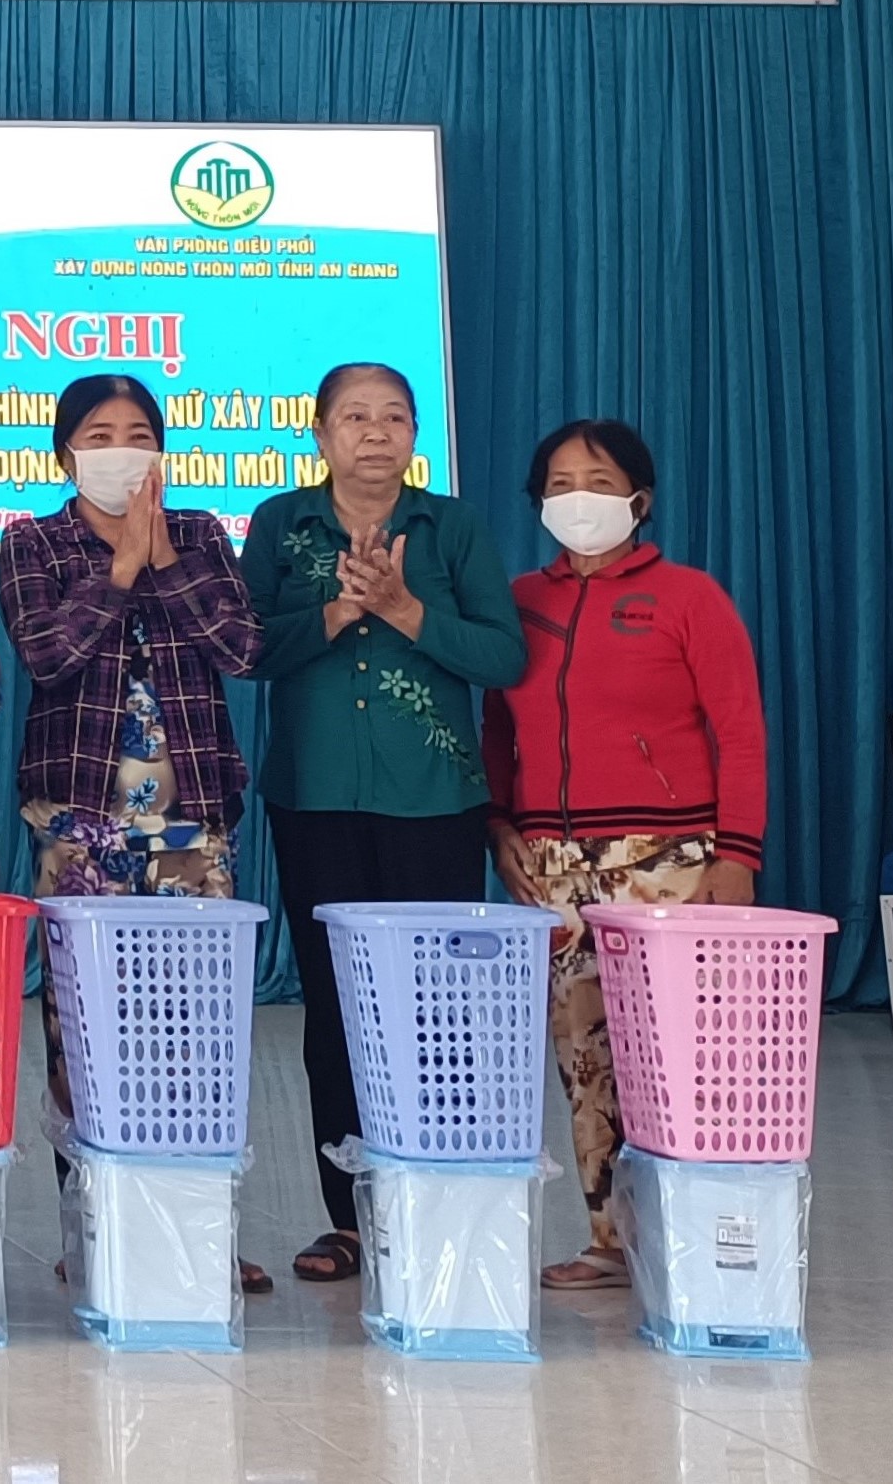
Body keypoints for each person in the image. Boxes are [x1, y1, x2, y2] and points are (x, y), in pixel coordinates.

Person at [243, 362, 525, 1286]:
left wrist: (404, 611)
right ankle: (351, 1220)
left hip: (433, 801)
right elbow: (242, 647)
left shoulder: (453, 526)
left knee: (436, 1009)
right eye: (354, 417)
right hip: (315, 798)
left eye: (393, 417)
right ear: (319, 433)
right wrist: (335, 611)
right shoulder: (281, 525)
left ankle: (434, 1203)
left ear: (413, 434)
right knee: (333, 1010)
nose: (374, 433)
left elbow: (504, 657)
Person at [0, 371, 271, 1295]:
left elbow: (242, 648)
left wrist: (165, 564)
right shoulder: (33, 541)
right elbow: (46, 655)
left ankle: (198, 1227)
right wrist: (118, 571)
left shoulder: (198, 534)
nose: (121, 451)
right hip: (80, 819)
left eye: (138, 435)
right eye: (100, 435)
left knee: (194, 1030)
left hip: (191, 819)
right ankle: (95, 1228)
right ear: (64, 453)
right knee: (83, 1032)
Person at [483, 418, 768, 1292]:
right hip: (552, 863)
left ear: (638, 500)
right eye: (560, 484)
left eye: (599, 484)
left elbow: (739, 731)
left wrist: (736, 855)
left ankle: (697, 1234)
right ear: (536, 502)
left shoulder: (689, 597)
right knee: (583, 1058)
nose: (579, 500)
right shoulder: (517, 602)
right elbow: (495, 730)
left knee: (679, 1056)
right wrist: (499, 825)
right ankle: (609, 1238)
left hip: (670, 859)